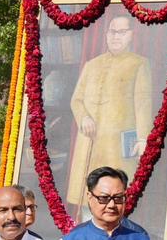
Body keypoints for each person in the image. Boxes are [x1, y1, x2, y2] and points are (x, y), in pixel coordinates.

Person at [65, 16, 153, 207]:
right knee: (87, 198)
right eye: (112, 32)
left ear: (131, 35)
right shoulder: (91, 65)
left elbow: (143, 104)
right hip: (89, 143)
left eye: (122, 32)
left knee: (115, 198)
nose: (116, 36)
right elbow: (76, 100)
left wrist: (143, 139)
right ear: (106, 35)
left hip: (116, 146)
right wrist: (84, 117)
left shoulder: (138, 64)